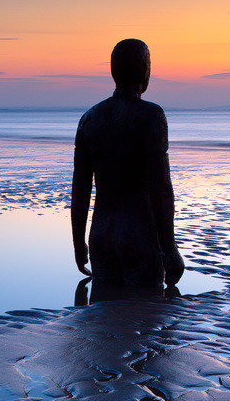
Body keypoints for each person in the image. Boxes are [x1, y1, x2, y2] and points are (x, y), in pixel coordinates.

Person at [71, 39, 184, 290]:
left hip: (101, 234)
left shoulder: (89, 119)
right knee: (146, 317)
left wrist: (79, 243)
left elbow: (80, 189)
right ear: (145, 70)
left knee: (103, 321)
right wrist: (170, 249)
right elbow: (161, 188)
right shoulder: (151, 116)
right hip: (139, 235)